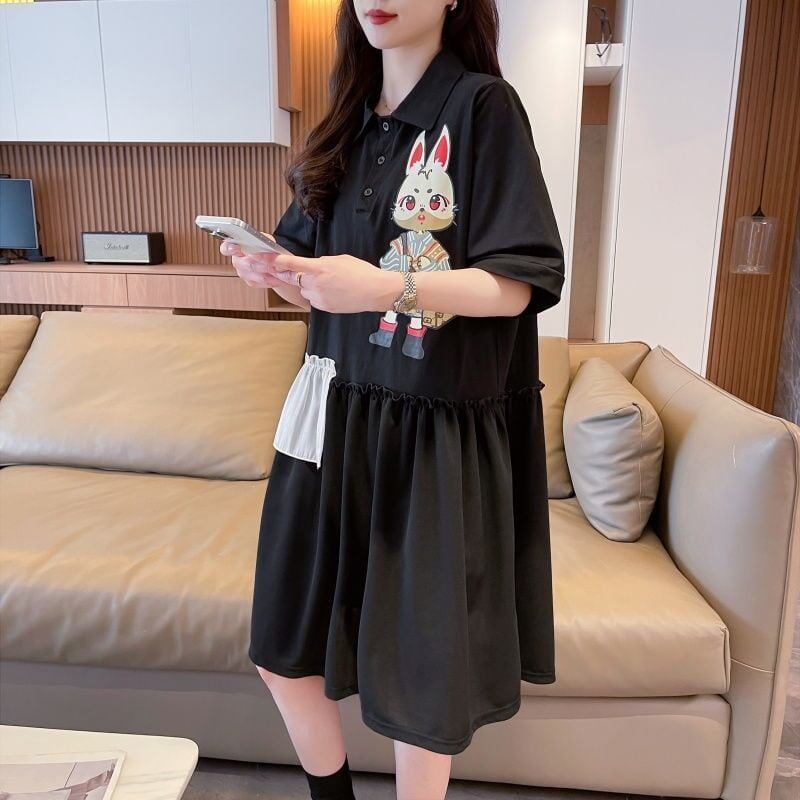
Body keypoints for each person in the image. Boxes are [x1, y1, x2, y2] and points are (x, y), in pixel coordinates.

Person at [220, 1, 565, 798]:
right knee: (282, 649)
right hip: (328, 416)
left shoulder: (482, 107)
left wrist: (385, 286)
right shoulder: (345, 119)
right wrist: (273, 272)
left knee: (419, 677)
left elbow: (519, 284)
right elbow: (317, 283)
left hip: (428, 428)